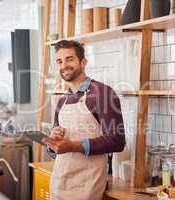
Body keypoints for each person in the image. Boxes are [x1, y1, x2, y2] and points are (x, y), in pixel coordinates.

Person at [42, 40, 126, 200]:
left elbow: (117, 141)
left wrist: (73, 146)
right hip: (59, 184)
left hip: (87, 187)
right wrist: (53, 141)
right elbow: (55, 152)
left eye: (69, 59)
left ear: (83, 62)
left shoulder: (102, 94)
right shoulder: (62, 101)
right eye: (59, 61)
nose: (64, 65)